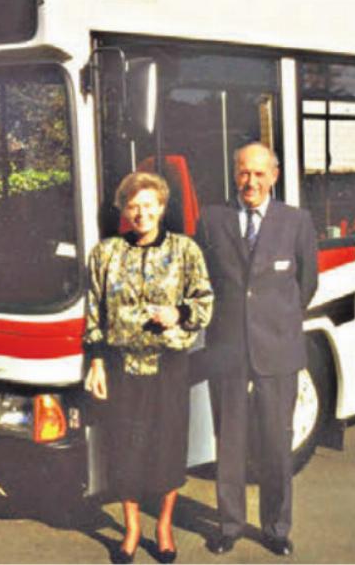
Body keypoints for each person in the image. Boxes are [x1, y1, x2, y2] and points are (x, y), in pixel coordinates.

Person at [83, 171, 214, 564]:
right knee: (125, 447)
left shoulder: (185, 250)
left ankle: (163, 525)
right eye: (133, 206)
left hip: (169, 365)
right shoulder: (104, 254)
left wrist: (179, 312)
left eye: (148, 205)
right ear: (124, 211)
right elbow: (94, 312)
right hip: (122, 366)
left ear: (161, 207)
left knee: (167, 447)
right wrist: (97, 362)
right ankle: (132, 527)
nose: (141, 213)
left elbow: (205, 302)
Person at [195, 142, 319, 557]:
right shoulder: (213, 220)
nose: (251, 182)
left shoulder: (296, 221)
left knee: (276, 443)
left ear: (275, 176)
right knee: (228, 442)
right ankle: (229, 524)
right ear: (235, 174)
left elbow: (307, 283)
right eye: (244, 173)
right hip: (227, 349)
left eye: (260, 174)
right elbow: (204, 279)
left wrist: (276, 321)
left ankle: (276, 527)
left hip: (277, 349)